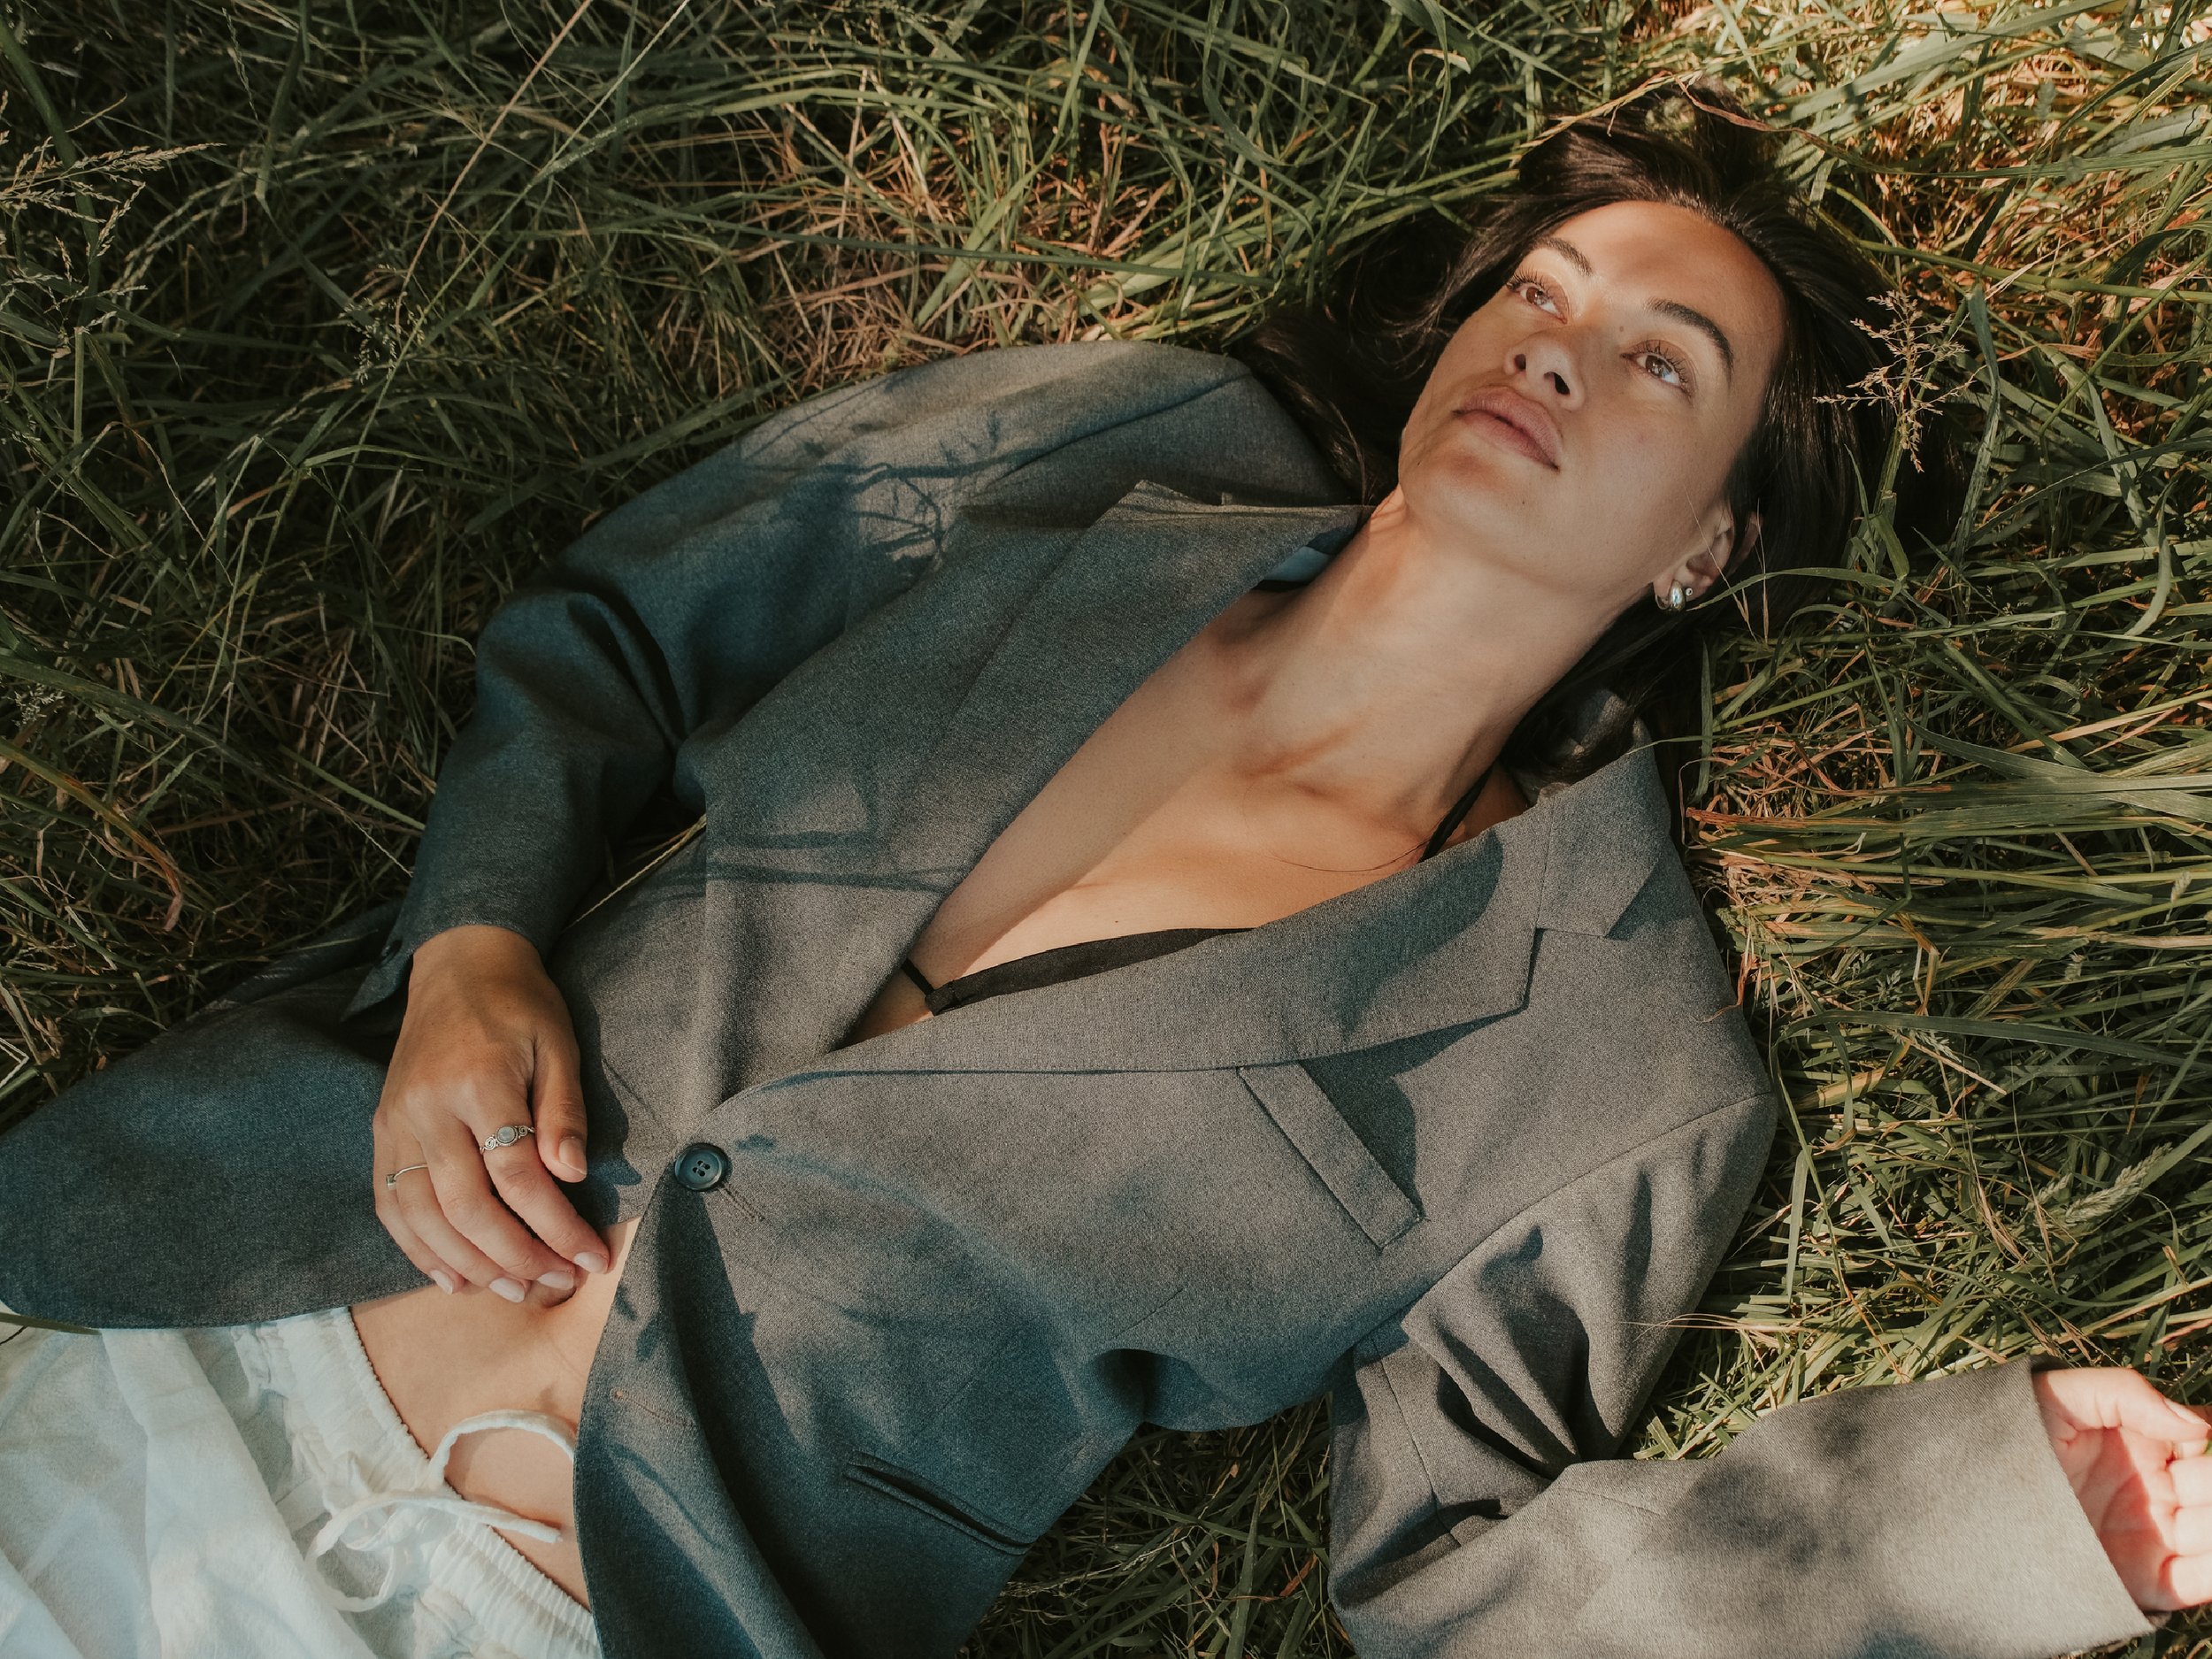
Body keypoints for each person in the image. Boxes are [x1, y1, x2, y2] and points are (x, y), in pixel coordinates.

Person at [0, 75, 2206, 1659]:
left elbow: (1456, 1577)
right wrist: (472, 939)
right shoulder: (1124, 457)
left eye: (1657, 358)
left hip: (566, 1608)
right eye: (1543, 285)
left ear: (1707, 540)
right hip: (206, 1313)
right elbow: (619, 631)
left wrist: (1998, 1513)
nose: (1554, 339)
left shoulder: (1608, 1053)